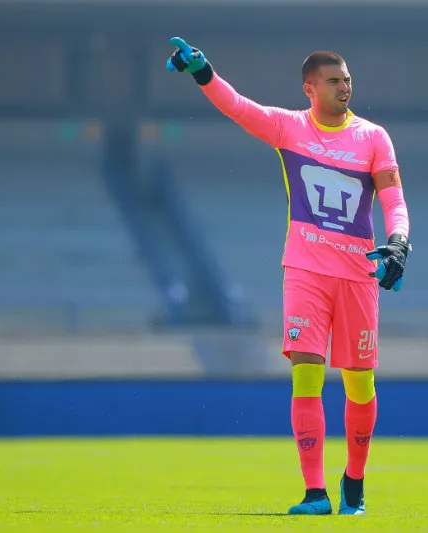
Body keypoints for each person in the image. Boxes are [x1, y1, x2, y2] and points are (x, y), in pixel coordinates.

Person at [166, 37, 412, 516]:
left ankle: (354, 483)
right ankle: (315, 493)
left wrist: (399, 240)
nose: (345, 87)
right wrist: (203, 72)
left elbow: (393, 201)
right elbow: (238, 108)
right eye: (335, 80)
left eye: (347, 79)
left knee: (360, 384)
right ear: (310, 87)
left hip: (358, 275)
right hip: (304, 271)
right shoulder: (289, 128)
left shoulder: (374, 137)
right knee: (306, 375)